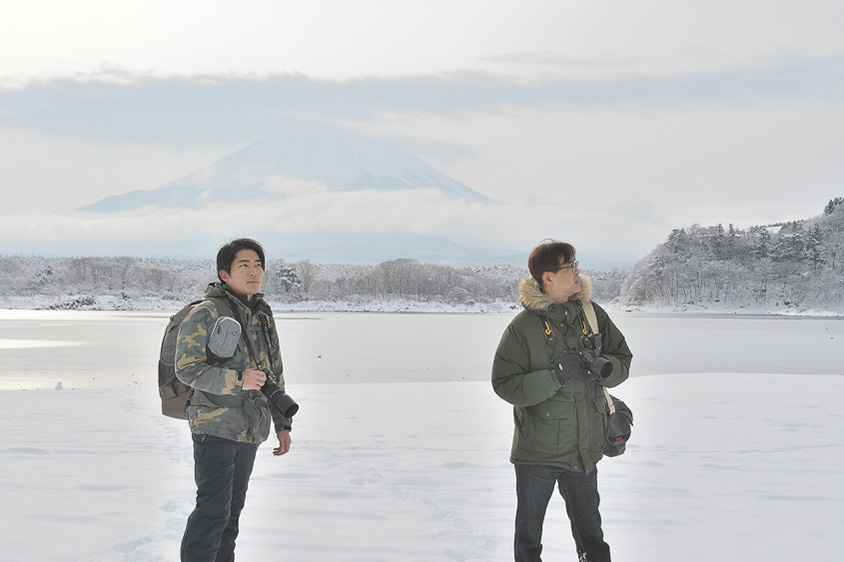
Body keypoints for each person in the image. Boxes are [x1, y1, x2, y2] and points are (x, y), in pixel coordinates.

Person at [492, 240, 632, 562]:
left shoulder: (592, 315)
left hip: (584, 450)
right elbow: (504, 384)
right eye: (570, 266)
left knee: (593, 542)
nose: (577, 271)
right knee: (528, 544)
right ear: (548, 278)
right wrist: (554, 375)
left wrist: (605, 371)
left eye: (575, 263)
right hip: (537, 455)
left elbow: (623, 357)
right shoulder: (523, 328)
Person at [176, 238, 293, 562]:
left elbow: (275, 372)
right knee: (212, 513)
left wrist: (283, 422)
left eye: (258, 265)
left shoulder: (263, 315)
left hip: (249, 429)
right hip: (215, 426)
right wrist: (238, 380)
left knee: (230, 518)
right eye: (244, 265)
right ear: (224, 274)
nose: (254, 271)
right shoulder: (207, 312)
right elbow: (186, 368)